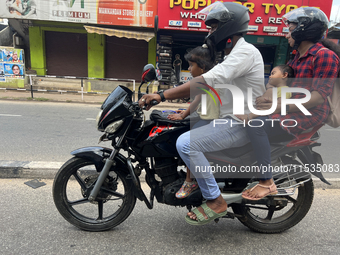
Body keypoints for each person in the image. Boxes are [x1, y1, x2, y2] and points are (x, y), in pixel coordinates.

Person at [139, 2, 265, 225]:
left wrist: (161, 95)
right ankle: (193, 178)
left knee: (187, 144)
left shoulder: (244, 53)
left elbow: (204, 82)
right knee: (177, 131)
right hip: (227, 118)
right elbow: (208, 90)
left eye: (214, 27)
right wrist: (184, 112)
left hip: (240, 122)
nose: (210, 32)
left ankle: (215, 200)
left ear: (230, 27)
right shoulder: (232, 55)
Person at [241, 7, 340, 200]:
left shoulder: (324, 56)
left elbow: (319, 96)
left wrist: (275, 106)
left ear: (304, 30)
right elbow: (279, 84)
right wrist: (267, 98)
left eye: (290, 29)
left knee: (255, 126)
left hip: (307, 114)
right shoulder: (296, 58)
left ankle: (266, 182)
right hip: (290, 109)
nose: (287, 35)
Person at [166, 44, 217, 199]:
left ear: (201, 67)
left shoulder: (209, 79)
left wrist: (183, 115)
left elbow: (196, 100)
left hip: (211, 121)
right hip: (204, 117)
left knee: (190, 142)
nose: (188, 68)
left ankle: (190, 181)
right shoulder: (208, 79)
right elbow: (197, 101)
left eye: (191, 65)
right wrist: (184, 114)